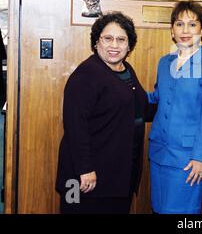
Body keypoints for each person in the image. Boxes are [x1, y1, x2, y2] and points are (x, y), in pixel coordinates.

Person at [55, 11, 155, 214]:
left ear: (129, 45)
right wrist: (85, 169)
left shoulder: (126, 69)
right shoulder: (86, 75)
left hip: (116, 176)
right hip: (85, 178)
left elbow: (141, 107)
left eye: (121, 39)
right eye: (108, 38)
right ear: (96, 42)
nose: (114, 45)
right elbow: (76, 126)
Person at [148, 0, 202, 214]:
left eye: (192, 24)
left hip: (188, 160)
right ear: (172, 30)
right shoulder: (164, 62)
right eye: (179, 24)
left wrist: (201, 157)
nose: (185, 30)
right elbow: (157, 97)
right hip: (159, 153)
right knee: (158, 208)